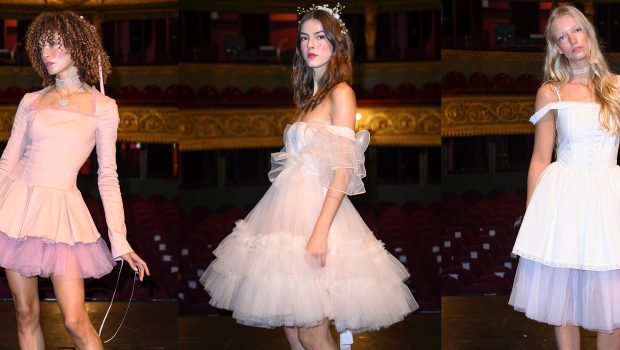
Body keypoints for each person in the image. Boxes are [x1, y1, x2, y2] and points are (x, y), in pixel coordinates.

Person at [200, 4, 417, 350]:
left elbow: (343, 170)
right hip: (285, 212)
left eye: (319, 36)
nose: (310, 44)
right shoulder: (306, 99)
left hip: (319, 216)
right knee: (292, 327)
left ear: (336, 43)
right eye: (304, 38)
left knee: (313, 332)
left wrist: (319, 233)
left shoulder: (341, 93)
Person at [0, 11, 150, 349]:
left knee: (74, 320)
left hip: (61, 213)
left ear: (78, 47)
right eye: (41, 47)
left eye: (55, 45)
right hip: (15, 210)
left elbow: (108, 177)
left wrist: (120, 239)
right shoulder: (31, 101)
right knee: (25, 313)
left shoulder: (104, 106)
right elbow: (7, 161)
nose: (46, 54)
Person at [509, 4, 620, 349]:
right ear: (556, 47)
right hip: (564, 199)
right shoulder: (550, 91)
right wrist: (532, 214)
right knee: (565, 305)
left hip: (608, 196)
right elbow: (540, 158)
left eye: (577, 31)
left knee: (612, 307)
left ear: (588, 33)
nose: (572, 40)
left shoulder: (618, 86)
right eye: (562, 37)